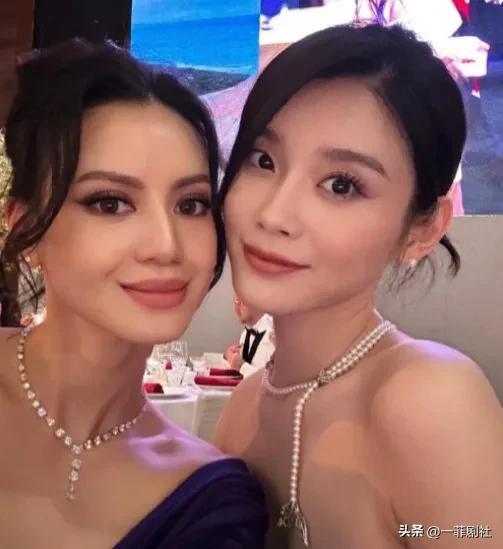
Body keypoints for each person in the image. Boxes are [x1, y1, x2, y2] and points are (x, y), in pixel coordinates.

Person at [214, 24, 503, 548]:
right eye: (263, 160)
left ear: (422, 230)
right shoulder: (243, 412)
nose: (274, 214)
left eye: (342, 185)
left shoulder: (428, 402)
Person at [0, 39, 267, 548]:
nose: (166, 246)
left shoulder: (208, 500)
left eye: (191, 205)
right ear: (26, 229)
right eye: (111, 203)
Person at [224, 296, 275, 376]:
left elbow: (273, 378)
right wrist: (228, 356)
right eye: (235, 301)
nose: (236, 308)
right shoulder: (245, 335)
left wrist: (241, 366)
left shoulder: (275, 334)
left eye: (241, 301)